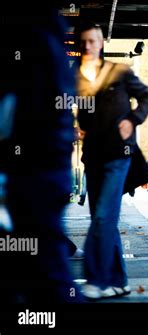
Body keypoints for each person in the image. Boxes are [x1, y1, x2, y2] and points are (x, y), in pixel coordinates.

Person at [0, 6, 83, 303]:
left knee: (44, 274)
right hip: (41, 169)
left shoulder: (30, 37)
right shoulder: (45, 35)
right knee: (41, 271)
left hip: (32, 171)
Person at [76, 22, 148, 299]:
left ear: (101, 44)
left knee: (103, 218)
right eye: (83, 42)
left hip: (120, 155)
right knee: (103, 218)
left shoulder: (119, 72)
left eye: (93, 41)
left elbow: (145, 96)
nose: (88, 46)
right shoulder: (75, 78)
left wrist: (133, 120)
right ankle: (119, 280)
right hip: (93, 156)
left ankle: (97, 280)